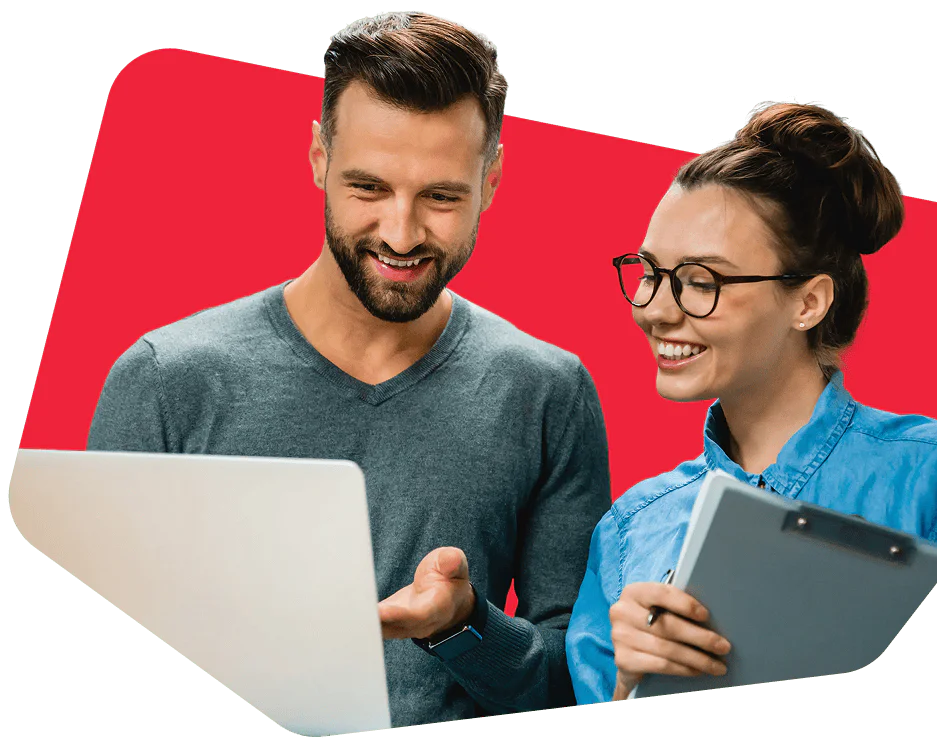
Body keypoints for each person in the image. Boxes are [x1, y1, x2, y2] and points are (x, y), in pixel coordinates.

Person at [86, 11, 611, 727]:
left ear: (491, 180)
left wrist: (464, 626)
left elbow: (579, 685)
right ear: (317, 158)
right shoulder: (165, 381)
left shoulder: (548, 392)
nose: (401, 233)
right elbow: (95, 675)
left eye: (441, 196)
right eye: (368, 188)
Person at [564, 101, 937, 705]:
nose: (656, 309)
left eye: (701, 281)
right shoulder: (629, 529)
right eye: (649, 272)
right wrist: (628, 691)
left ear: (808, 302)